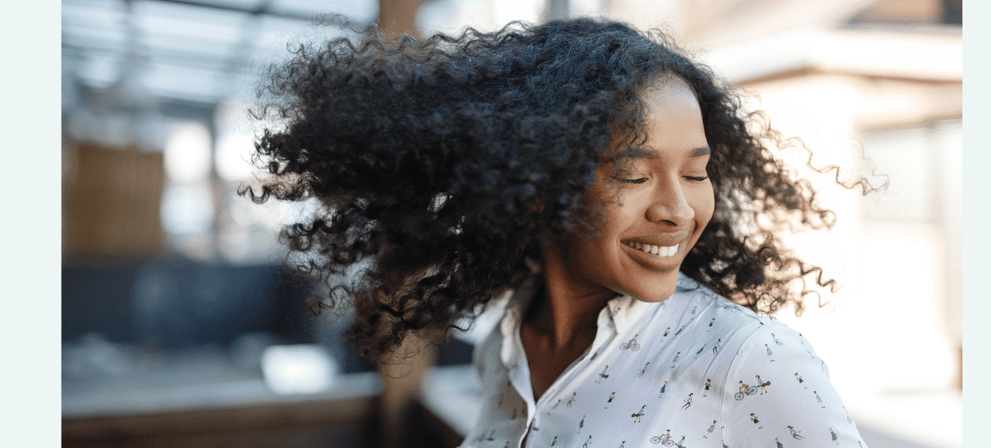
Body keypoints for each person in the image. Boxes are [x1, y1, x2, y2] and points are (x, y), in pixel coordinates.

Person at [246, 17, 869, 448]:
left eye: (697, 172)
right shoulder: (507, 346)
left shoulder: (749, 360)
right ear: (539, 181)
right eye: (634, 174)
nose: (679, 210)